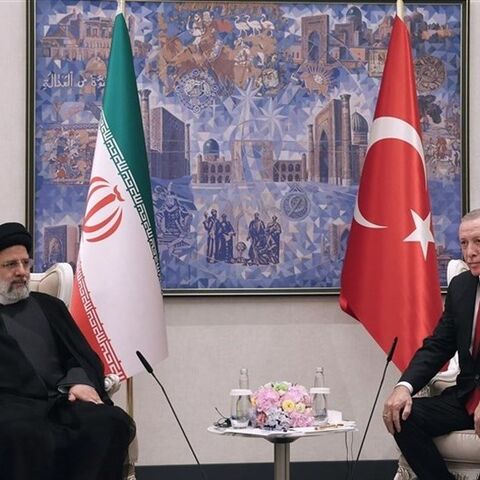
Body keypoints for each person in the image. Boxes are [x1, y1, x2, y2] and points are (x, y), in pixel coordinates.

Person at [0, 222, 135, 480]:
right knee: (17, 434)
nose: (21, 272)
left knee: (109, 422)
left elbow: (80, 354)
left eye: (25, 263)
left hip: (61, 401)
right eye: (10, 265)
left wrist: (78, 382)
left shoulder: (50, 306)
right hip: (11, 407)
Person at [382, 209, 480, 480]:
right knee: (401, 415)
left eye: (478, 242)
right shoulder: (462, 287)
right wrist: (404, 387)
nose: (469, 252)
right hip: (467, 397)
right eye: (463, 243)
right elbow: (438, 346)